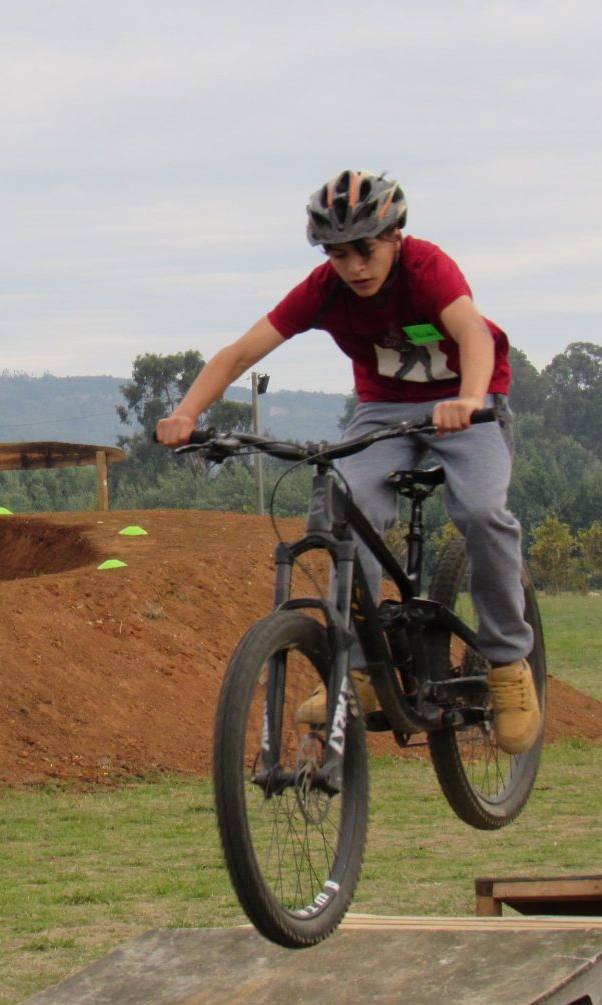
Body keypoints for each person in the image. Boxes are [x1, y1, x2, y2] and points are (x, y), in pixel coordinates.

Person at [156, 169, 539, 754]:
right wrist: (187, 412)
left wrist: (468, 399)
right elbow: (240, 353)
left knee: (483, 513)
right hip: (384, 410)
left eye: (366, 250)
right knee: (341, 512)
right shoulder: (324, 289)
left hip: (469, 405)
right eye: (339, 255)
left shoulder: (427, 268)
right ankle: (358, 668)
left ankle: (508, 661)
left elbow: (474, 335)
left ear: (395, 237)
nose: (356, 267)